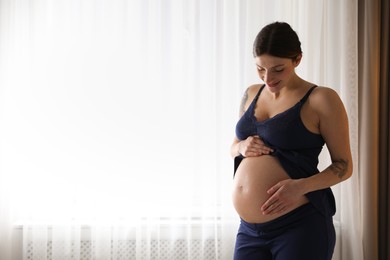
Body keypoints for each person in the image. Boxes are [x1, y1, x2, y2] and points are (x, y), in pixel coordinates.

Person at [230, 21, 352, 260]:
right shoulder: (251, 93)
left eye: (278, 69)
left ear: (297, 59)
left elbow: (344, 166)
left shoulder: (320, 99)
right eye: (260, 68)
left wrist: (300, 187)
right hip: (249, 230)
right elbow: (234, 147)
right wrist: (242, 146)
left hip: (300, 225)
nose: (268, 77)